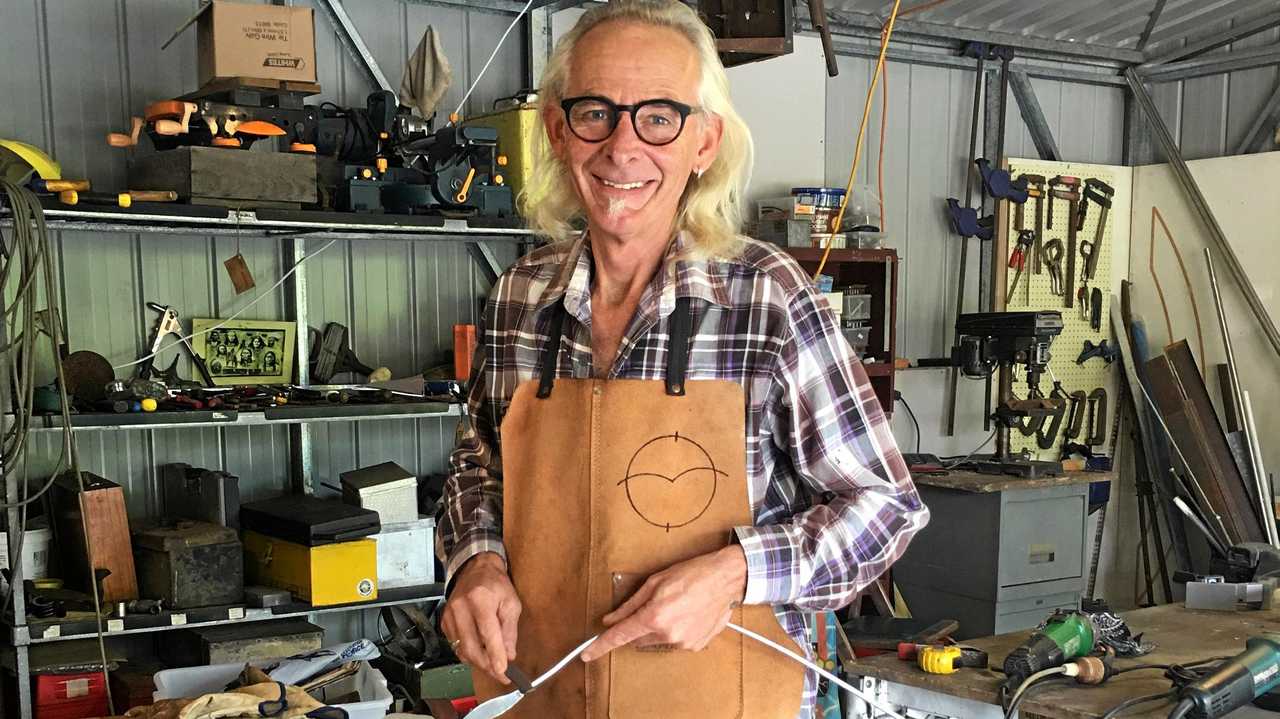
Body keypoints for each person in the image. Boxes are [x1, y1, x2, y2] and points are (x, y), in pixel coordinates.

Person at [436, 2, 929, 716]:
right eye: (594, 112)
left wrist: (735, 572)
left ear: (704, 142)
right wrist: (474, 562)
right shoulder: (520, 295)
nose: (622, 148)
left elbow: (887, 508)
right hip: (538, 695)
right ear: (556, 129)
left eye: (659, 116)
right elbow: (477, 462)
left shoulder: (767, 299)